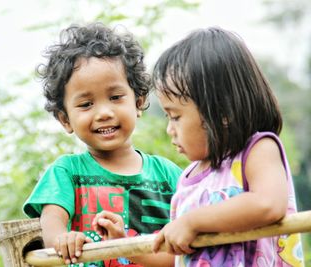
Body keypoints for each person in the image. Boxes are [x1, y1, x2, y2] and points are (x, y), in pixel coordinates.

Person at [93, 27, 304, 266]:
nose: (169, 129)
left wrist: (192, 222)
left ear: (222, 111)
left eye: (175, 116)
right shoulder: (188, 182)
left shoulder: (257, 151)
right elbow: (177, 255)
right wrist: (126, 245)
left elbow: (268, 205)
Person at [22, 22, 182, 267]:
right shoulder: (66, 172)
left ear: (138, 102)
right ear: (65, 119)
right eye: (86, 104)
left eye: (116, 97)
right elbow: (51, 224)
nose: (104, 113)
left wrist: (125, 244)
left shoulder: (169, 174)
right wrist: (63, 240)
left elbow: (184, 252)